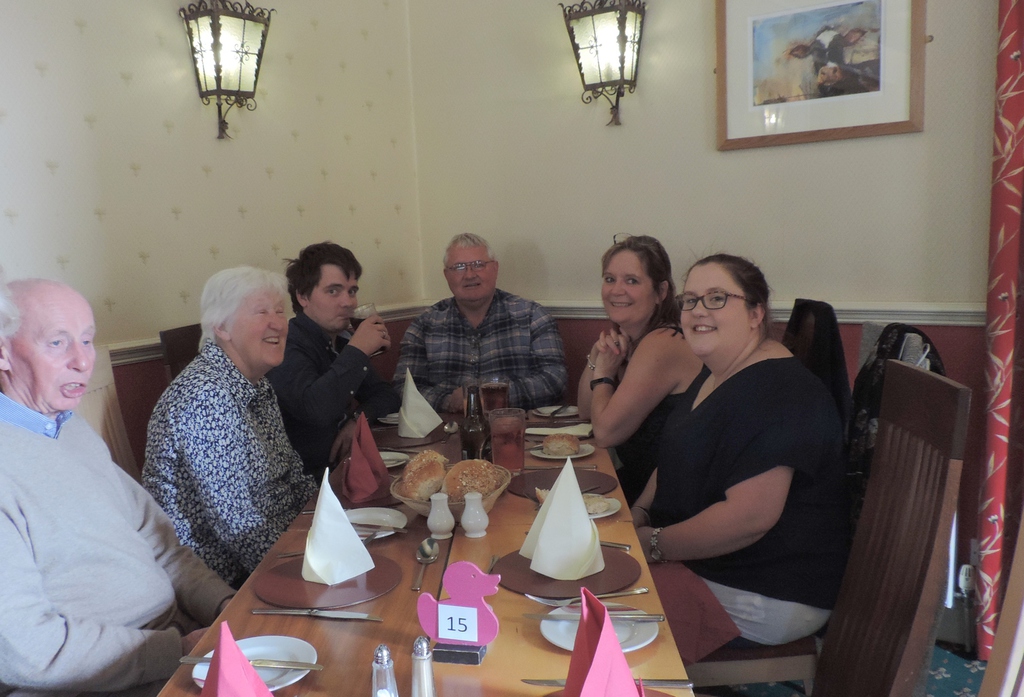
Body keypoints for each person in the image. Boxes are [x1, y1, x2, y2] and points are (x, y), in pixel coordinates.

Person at [0, 274, 234, 697]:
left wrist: (225, 605)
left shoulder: (69, 428)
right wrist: (177, 650)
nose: (82, 360)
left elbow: (163, 545)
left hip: (177, 645)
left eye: (87, 340)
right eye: (57, 342)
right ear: (3, 352)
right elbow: (29, 651)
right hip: (100, 683)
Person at [632, 253, 849, 646]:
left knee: (600, 604)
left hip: (764, 588)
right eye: (690, 300)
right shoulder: (716, 372)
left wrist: (651, 544)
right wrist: (638, 514)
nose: (699, 310)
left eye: (717, 298)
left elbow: (749, 519)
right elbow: (674, 457)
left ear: (755, 314)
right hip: (713, 564)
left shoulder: (782, 392)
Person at [144, 267, 319, 588]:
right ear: (221, 327)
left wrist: (334, 525)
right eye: (262, 312)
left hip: (282, 542)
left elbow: (293, 478)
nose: (278, 323)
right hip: (220, 579)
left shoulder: (257, 384)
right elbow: (236, 526)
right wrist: (306, 574)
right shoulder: (204, 396)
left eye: (280, 311)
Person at [576, 235, 706, 505]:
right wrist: (598, 355)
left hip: (669, 500)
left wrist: (604, 375)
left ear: (661, 292)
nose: (616, 290)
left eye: (632, 281)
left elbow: (605, 433)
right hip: (641, 486)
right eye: (609, 279)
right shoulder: (632, 339)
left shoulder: (663, 343)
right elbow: (586, 413)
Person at [267, 242, 401, 478]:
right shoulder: (288, 345)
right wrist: (358, 350)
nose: (348, 302)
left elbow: (387, 395)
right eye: (333, 291)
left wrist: (356, 420)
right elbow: (315, 410)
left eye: (352, 291)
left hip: (345, 469)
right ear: (303, 296)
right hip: (306, 480)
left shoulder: (341, 341)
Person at [394, 233, 568, 413]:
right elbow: (404, 388)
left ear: (495, 269)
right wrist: (449, 401)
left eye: (478, 265)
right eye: (459, 267)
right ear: (447, 275)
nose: (470, 275)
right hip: (447, 427)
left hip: (514, 425)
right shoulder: (424, 325)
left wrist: (492, 397)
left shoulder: (532, 316)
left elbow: (554, 380)